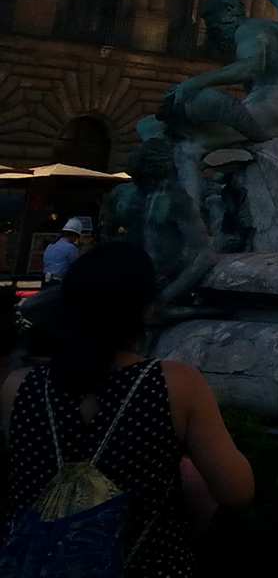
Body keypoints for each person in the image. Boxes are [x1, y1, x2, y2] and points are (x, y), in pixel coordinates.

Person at [2, 243, 253, 575]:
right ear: (146, 309)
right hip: (146, 566)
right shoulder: (174, 384)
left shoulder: (19, 386)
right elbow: (236, 490)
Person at [40, 218, 89, 286]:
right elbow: (76, 265)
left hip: (45, 280)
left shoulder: (51, 245)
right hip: (59, 282)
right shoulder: (70, 248)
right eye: (76, 237)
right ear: (73, 234)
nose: (75, 240)